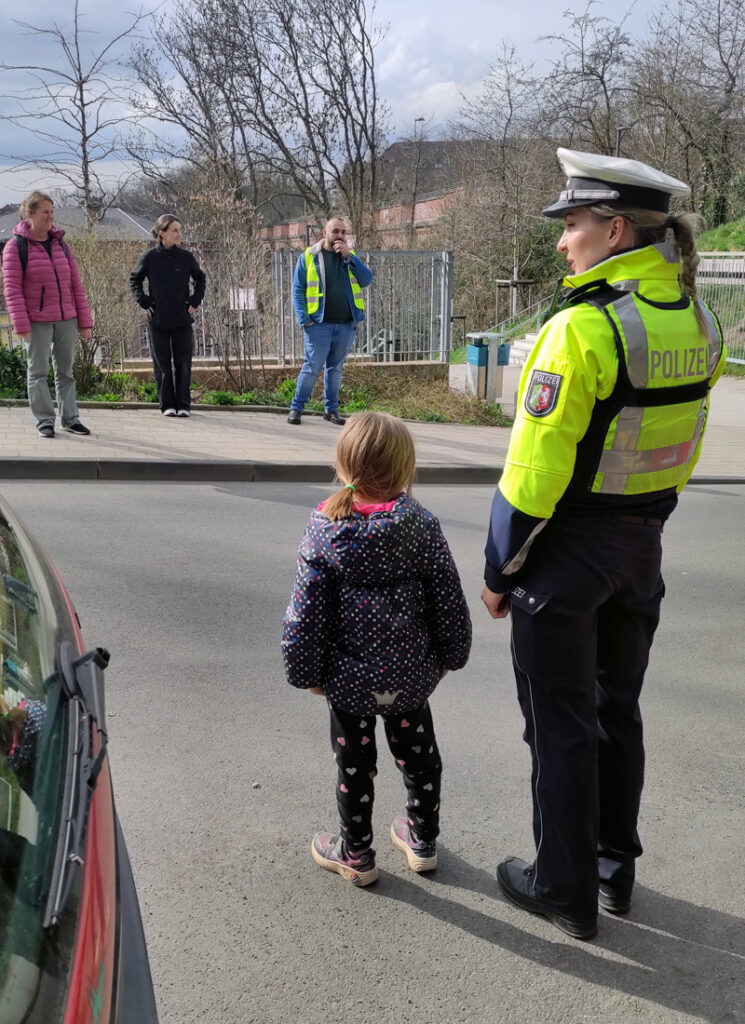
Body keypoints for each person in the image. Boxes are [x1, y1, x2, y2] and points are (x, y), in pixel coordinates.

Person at [481, 148, 726, 940]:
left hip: (565, 556)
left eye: (574, 224)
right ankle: (614, 872)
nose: (561, 241)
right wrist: (643, 528)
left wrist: (498, 567)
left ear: (614, 230)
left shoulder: (580, 330)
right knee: (616, 713)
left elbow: (531, 475)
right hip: (641, 547)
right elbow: (679, 447)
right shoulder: (699, 320)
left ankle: (562, 887)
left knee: (560, 726)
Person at [282, 411, 472, 885]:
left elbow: (305, 613)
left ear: (344, 468)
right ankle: (422, 840)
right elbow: (447, 596)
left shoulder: (325, 529)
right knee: (420, 755)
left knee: (354, 765)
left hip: (348, 682)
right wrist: (452, 655)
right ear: (406, 470)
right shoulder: (421, 527)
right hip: (410, 678)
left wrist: (306, 674)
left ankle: (357, 854)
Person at [1, 191, 93, 438]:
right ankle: (44, 421)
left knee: (66, 372)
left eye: (52, 212)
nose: (50, 217)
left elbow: (76, 284)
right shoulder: (15, 246)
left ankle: (70, 418)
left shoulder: (61, 244)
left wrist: (84, 320)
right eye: (45, 212)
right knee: (38, 372)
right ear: (30, 214)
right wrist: (20, 323)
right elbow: (11, 288)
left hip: (66, 318)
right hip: (37, 321)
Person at [287, 217, 372, 426]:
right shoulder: (309, 257)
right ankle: (296, 408)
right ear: (325, 233)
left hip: (345, 324)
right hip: (319, 324)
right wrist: (305, 320)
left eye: (344, 232)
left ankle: (331, 410)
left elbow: (366, 279)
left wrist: (349, 257)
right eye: (336, 231)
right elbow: (298, 289)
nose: (340, 236)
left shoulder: (349, 257)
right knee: (312, 367)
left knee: (335, 368)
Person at [129, 215, 206, 417]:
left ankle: (183, 405)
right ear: (162, 233)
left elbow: (200, 279)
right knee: (162, 363)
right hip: (158, 319)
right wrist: (144, 301)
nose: (179, 234)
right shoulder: (149, 258)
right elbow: (134, 280)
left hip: (182, 318)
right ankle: (167, 405)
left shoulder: (186, 257)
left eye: (180, 230)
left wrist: (194, 301)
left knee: (183, 362)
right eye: (175, 230)